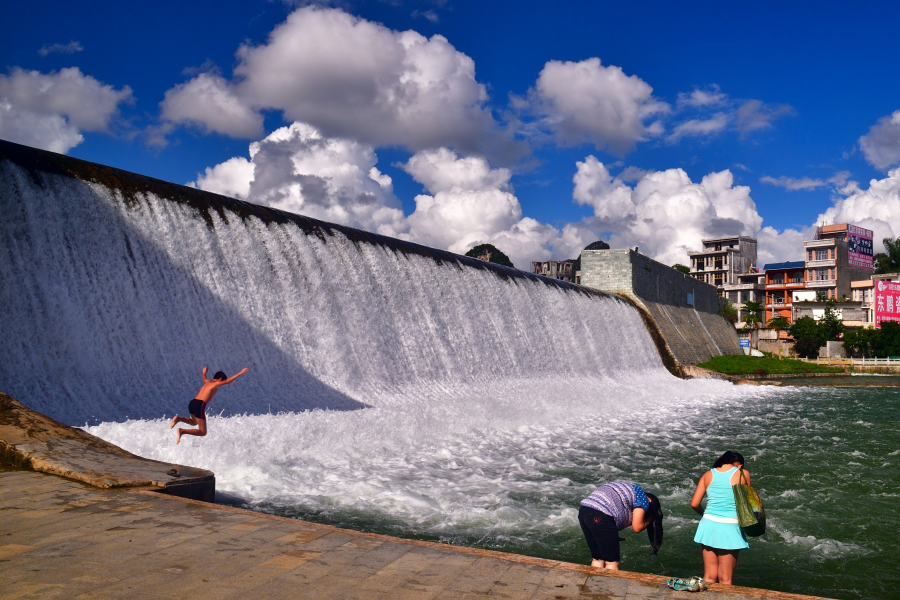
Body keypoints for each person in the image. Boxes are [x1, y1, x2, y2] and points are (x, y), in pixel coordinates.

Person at [690, 450, 750, 585]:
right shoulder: (742, 474)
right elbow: (749, 503)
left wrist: (704, 514)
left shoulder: (708, 474)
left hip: (708, 525)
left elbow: (694, 504)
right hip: (730, 527)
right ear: (739, 465)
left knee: (709, 577)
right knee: (725, 579)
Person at [578, 481, 663, 570]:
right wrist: (651, 518)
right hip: (601, 516)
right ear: (650, 500)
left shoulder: (629, 491)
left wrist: (609, 537)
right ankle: (609, 584)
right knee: (611, 562)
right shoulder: (643, 498)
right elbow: (637, 527)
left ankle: (594, 583)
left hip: (584, 511)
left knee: (598, 559)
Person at [170, 366, 249, 444]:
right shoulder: (215, 383)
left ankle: (178, 419)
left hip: (193, 402)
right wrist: (240, 373)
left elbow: (203, 378)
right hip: (199, 405)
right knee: (203, 432)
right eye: (221, 382)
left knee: (194, 422)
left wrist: (204, 372)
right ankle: (182, 431)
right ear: (220, 379)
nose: (220, 385)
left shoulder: (208, 382)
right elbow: (227, 381)